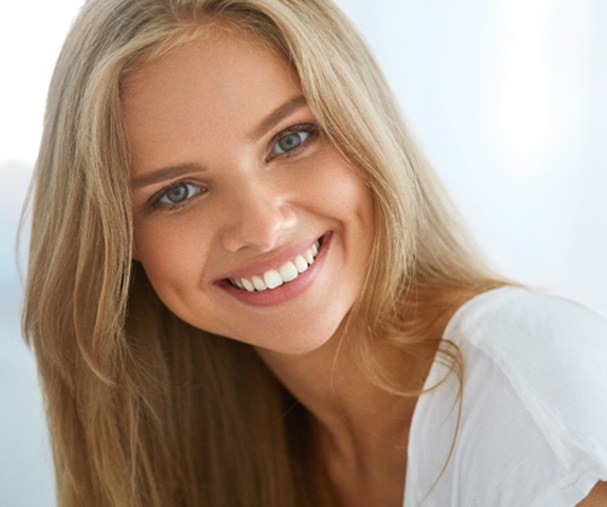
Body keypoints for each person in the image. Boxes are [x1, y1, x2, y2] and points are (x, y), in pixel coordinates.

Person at [22, 0, 607, 505]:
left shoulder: (537, 392)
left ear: (365, 126)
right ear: (117, 242)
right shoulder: (204, 445)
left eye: (291, 139)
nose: (261, 226)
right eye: (177, 192)